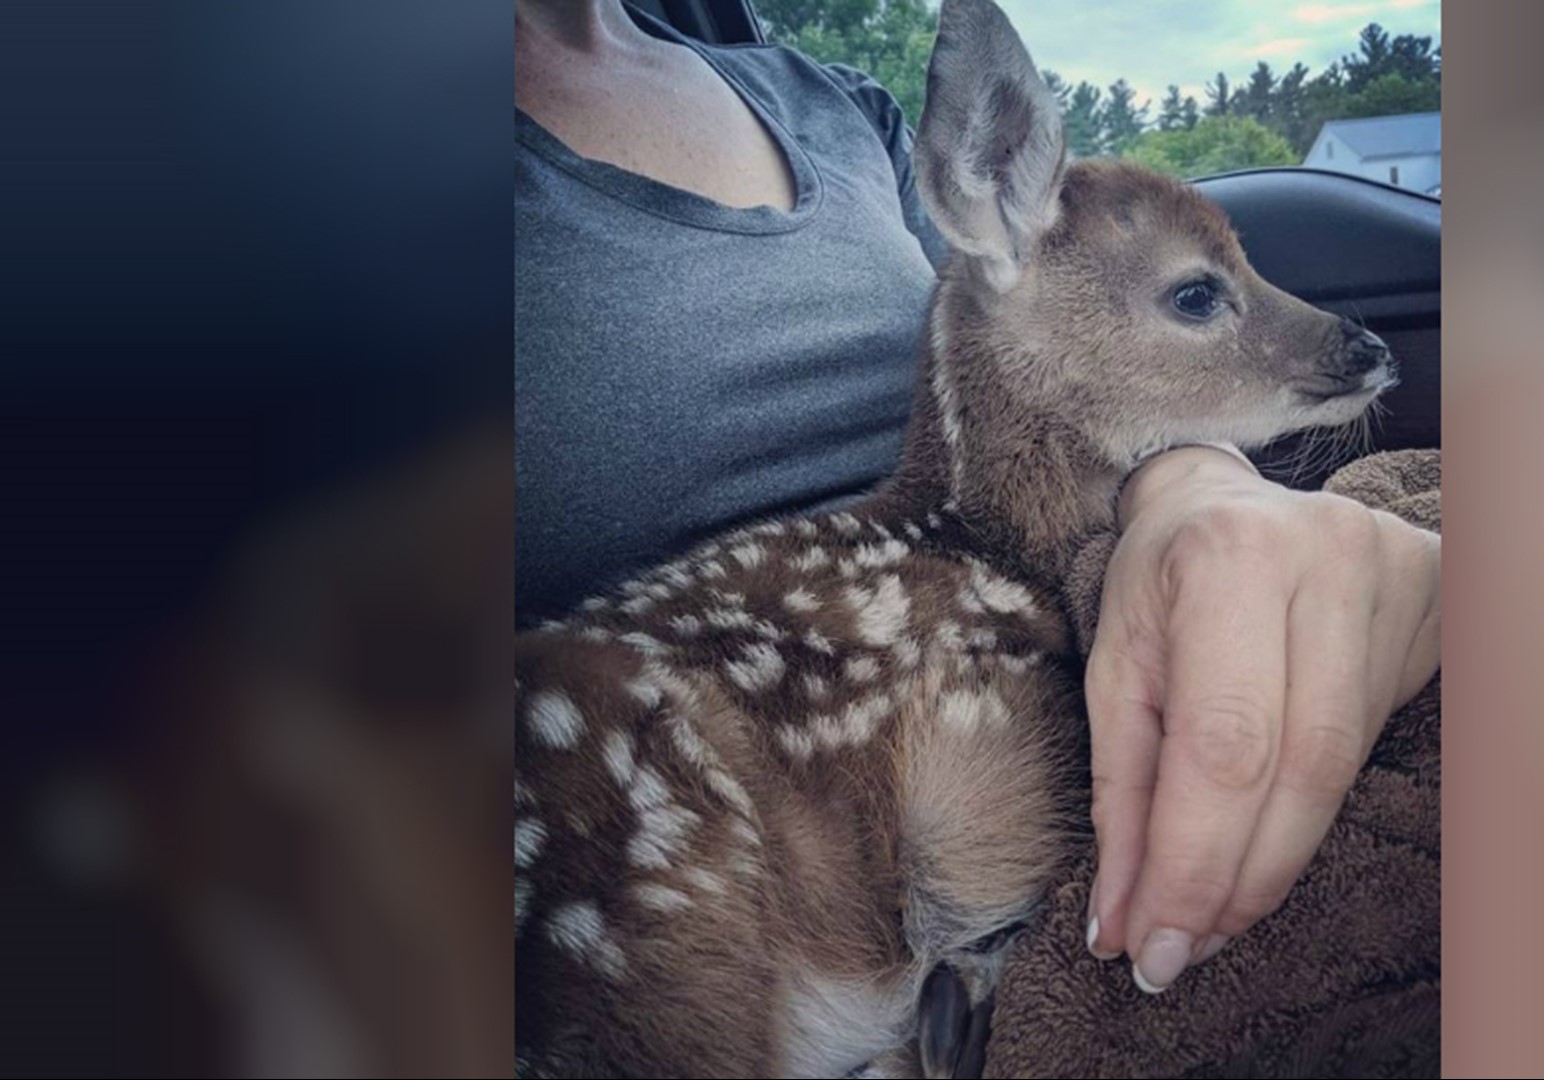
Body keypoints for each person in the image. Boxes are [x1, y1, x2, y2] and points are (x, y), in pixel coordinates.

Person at [514, 0, 1441, 994]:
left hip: (1024, 615)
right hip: (684, 823)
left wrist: (1198, 490)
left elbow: (1025, 357)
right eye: (1201, 298)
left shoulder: (831, 109)